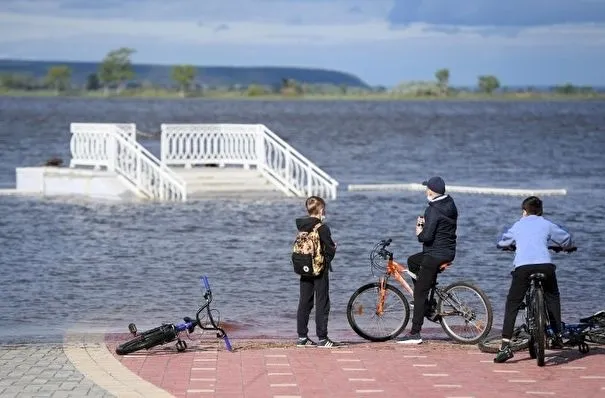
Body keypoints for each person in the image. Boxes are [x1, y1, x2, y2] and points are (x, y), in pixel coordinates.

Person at [494, 195, 573, 363]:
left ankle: (505, 345)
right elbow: (566, 239)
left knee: (513, 303)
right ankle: (557, 334)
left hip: (523, 268)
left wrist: (507, 246)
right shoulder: (547, 224)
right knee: (553, 296)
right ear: (540, 211)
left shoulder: (518, 225)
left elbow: (502, 242)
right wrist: (567, 247)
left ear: (524, 212)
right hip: (545, 265)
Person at [397, 176, 458, 344]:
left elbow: (426, 237)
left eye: (427, 189)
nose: (426, 191)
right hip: (448, 251)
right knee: (412, 261)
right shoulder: (450, 204)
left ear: (431, 191)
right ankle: (427, 302)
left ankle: (415, 333)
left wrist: (419, 230)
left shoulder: (432, 210)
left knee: (419, 294)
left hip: (435, 254)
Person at [294, 196, 341, 348]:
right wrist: (333, 249)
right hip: (319, 269)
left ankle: (302, 337)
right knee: (322, 302)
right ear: (321, 210)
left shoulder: (302, 226)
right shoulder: (322, 228)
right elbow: (329, 250)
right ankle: (323, 338)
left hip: (304, 268)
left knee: (304, 302)